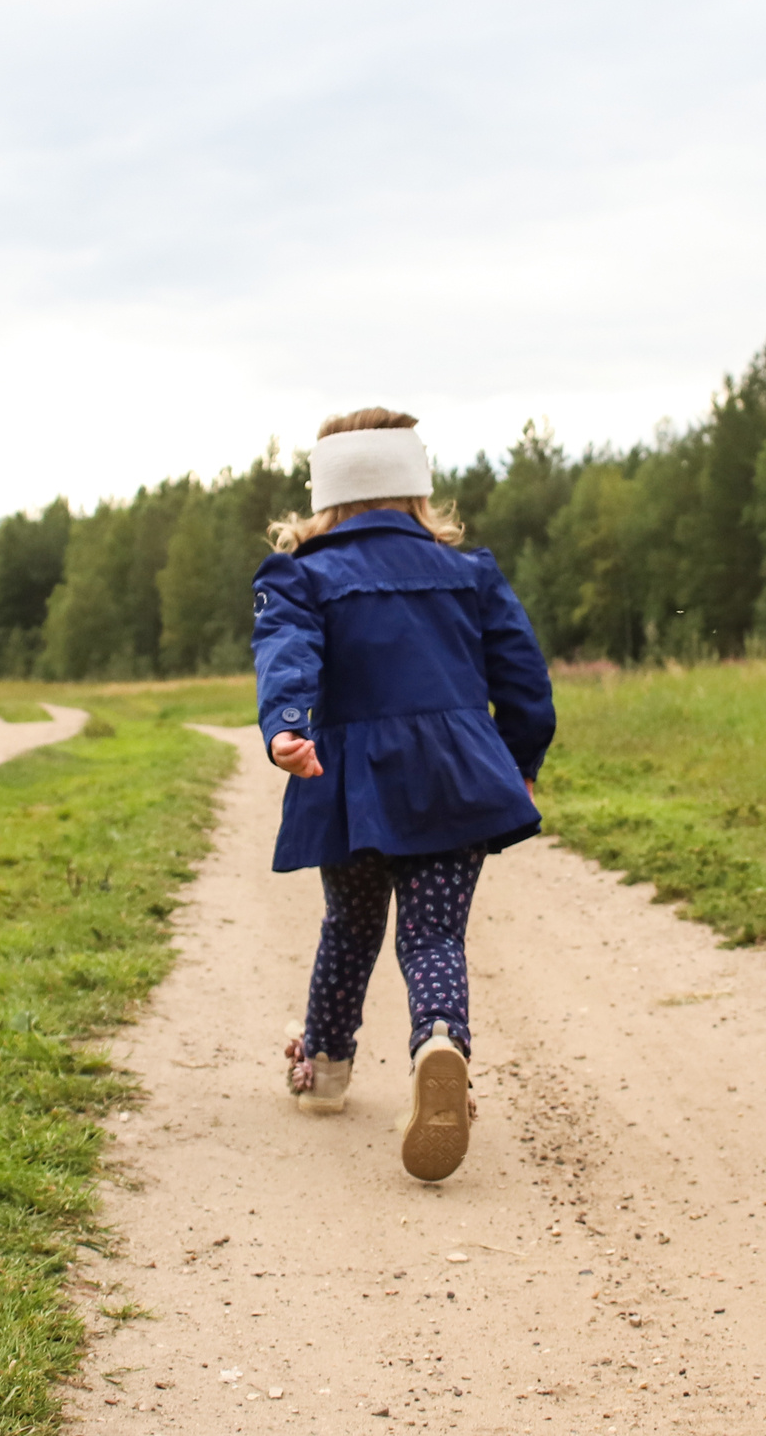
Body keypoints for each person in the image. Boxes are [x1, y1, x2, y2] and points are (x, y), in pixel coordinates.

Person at [251, 407, 555, 1182]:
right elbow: (524, 678)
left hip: (350, 784)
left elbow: (289, 650)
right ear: (420, 494)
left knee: (350, 924)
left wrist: (288, 724)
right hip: (455, 781)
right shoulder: (469, 572)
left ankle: (323, 1069)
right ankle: (439, 1039)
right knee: (433, 936)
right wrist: (521, 759)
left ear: (327, 499)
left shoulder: (303, 573)